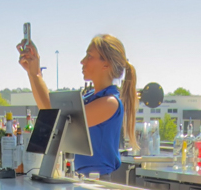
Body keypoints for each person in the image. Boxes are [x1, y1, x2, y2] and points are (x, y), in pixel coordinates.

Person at [17, 33, 137, 181]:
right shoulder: (88, 98)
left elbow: (52, 114)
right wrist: (32, 73)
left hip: (97, 185)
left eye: (89, 56)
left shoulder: (109, 103)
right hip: (82, 181)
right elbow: (49, 110)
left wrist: (35, 74)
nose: (82, 61)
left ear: (106, 64)